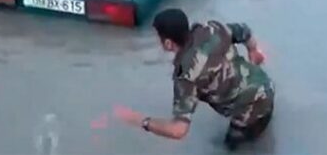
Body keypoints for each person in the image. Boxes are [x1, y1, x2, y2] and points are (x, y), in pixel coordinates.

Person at [114, 9, 275, 151]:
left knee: (229, 147)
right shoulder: (211, 29)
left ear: (168, 43)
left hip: (251, 111)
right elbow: (244, 31)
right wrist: (253, 50)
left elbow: (178, 130)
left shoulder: (186, 77)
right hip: (264, 84)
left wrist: (142, 121)